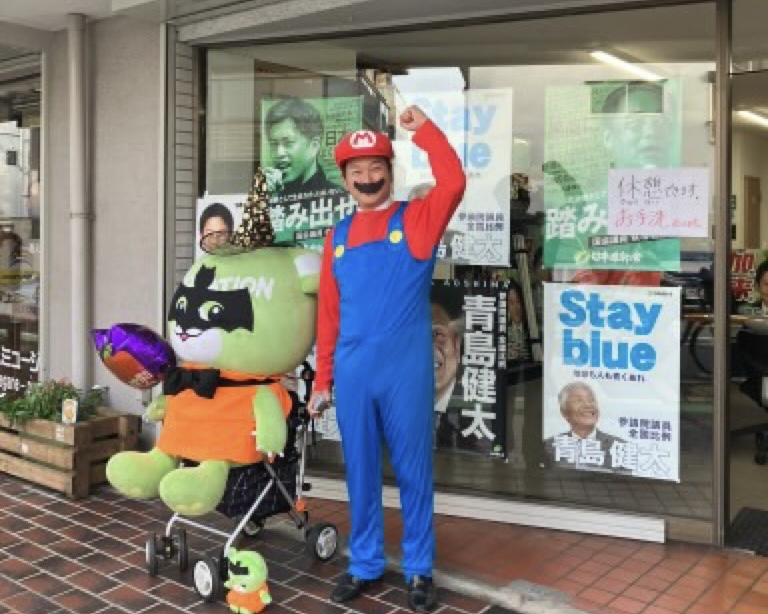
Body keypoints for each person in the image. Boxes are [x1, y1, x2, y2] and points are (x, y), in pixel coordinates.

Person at [308, 106, 466, 612]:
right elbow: (329, 316)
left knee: (414, 470)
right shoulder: (336, 237)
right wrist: (322, 379)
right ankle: (366, 562)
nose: (368, 178)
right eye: (357, 171)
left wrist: (427, 133)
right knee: (359, 470)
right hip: (353, 374)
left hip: (405, 371)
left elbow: (454, 181)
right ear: (345, 180)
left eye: (376, 167)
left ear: (389, 171)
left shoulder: (416, 220)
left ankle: (420, 568)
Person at [263, 98, 338, 201]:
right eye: (274, 144)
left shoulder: (336, 197)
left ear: (314, 146)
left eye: (288, 143)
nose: (279, 153)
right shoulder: (270, 194)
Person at [543, 381, 625, 471]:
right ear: (564, 412)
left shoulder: (620, 446)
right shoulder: (547, 446)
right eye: (578, 400)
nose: (587, 405)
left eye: (591, 400)